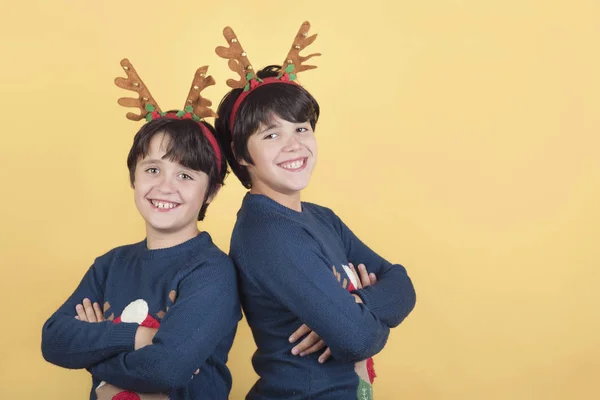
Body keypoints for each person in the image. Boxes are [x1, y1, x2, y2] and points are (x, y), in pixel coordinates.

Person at [214, 22, 416, 399]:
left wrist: (355, 304)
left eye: (301, 129)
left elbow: (403, 284)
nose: (294, 146)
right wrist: (361, 315)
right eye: (271, 135)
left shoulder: (321, 218)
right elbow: (357, 339)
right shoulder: (266, 232)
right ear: (242, 155)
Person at [41, 59, 240, 400]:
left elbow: (166, 368)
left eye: (186, 175)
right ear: (133, 175)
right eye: (152, 169)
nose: (165, 186)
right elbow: (53, 340)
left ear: (211, 192)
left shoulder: (212, 272)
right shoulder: (110, 265)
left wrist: (91, 353)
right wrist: (138, 338)